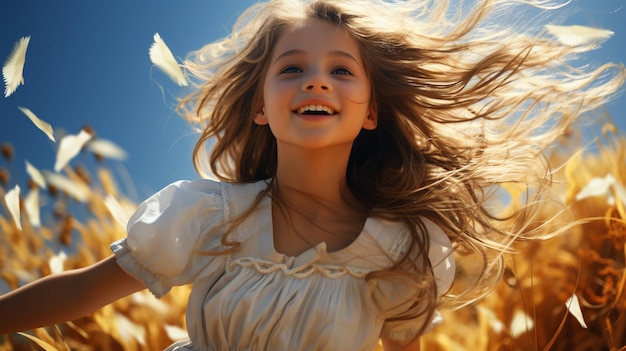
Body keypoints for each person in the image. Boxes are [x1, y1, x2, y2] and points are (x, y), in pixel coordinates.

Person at [1, 0, 624, 350]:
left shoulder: (399, 252)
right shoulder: (212, 219)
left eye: (341, 70)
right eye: (292, 68)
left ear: (373, 110)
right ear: (259, 107)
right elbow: (84, 289)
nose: (316, 80)